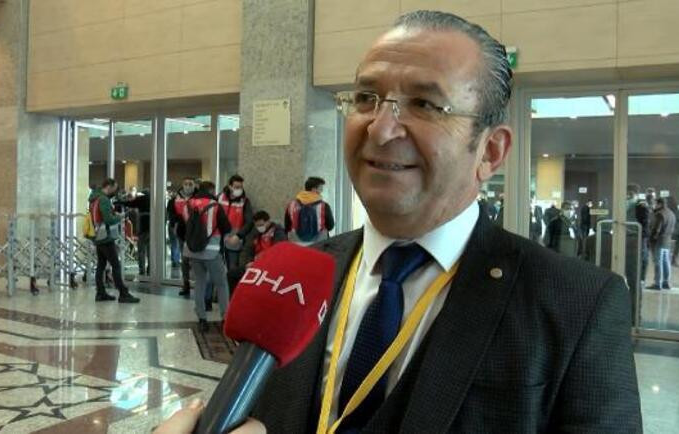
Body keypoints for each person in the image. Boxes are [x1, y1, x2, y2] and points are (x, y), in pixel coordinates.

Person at [159, 9, 641, 433]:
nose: (381, 128)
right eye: (366, 98)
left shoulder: (576, 304)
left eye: (425, 104)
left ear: (490, 151)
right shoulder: (296, 280)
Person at [182, 180, 233, 332]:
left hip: (192, 251)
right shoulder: (215, 206)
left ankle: (202, 319)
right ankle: (225, 318)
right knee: (221, 284)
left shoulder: (188, 204)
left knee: (200, 283)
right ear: (211, 190)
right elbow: (227, 227)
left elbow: (187, 225)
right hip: (211, 251)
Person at [89, 179, 140, 303]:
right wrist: (119, 217)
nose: (115, 191)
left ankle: (100, 292)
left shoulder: (94, 198)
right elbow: (108, 219)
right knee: (116, 265)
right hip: (106, 236)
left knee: (101, 265)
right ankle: (123, 293)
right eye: (114, 188)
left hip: (98, 235)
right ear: (109, 186)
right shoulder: (104, 199)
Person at [227, 211, 287, 292]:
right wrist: (246, 264)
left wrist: (259, 262)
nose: (259, 227)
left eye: (261, 225)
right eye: (257, 226)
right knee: (232, 274)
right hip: (254, 265)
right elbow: (248, 249)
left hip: (270, 267)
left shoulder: (278, 232)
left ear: (268, 221)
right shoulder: (256, 233)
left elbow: (277, 251)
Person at [168, 177, 198, 297]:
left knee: (196, 260)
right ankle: (186, 284)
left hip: (196, 233)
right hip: (182, 232)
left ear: (194, 185)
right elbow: (171, 213)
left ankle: (199, 285)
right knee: (184, 260)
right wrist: (175, 223)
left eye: (190, 184)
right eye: (186, 184)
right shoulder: (175, 198)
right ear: (182, 185)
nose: (188, 186)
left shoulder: (198, 197)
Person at [217, 174, 254, 272]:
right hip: (218, 239)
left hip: (234, 240)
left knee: (233, 269)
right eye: (236, 187)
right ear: (230, 186)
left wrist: (239, 236)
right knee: (217, 269)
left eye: (240, 187)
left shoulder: (244, 201)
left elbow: (249, 222)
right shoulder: (219, 198)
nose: (239, 189)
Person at [284, 176, 335, 245]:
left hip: (296, 244)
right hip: (318, 244)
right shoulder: (324, 206)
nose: (321, 191)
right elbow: (330, 225)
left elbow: (287, 227)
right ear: (314, 189)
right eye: (320, 188)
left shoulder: (291, 205)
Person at [647, 197, 676, 290]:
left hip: (658, 241)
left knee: (658, 262)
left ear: (659, 204)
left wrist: (651, 239)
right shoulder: (671, 213)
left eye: (655, 203)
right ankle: (666, 282)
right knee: (666, 261)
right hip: (667, 240)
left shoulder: (660, 214)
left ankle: (657, 283)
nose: (654, 205)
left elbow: (656, 229)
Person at [121, 189, 151, 275]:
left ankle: (142, 270)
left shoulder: (141, 201)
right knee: (150, 251)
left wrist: (119, 201)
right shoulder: (154, 202)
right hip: (152, 230)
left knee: (141, 251)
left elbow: (129, 203)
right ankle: (150, 270)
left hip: (142, 230)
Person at [627, 183, 651, 288]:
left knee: (642, 258)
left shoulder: (641, 206)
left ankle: (640, 279)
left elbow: (645, 223)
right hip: (629, 236)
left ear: (635, 193)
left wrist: (642, 236)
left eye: (630, 193)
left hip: (639, 236)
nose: (628, 195)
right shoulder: (626, 204)